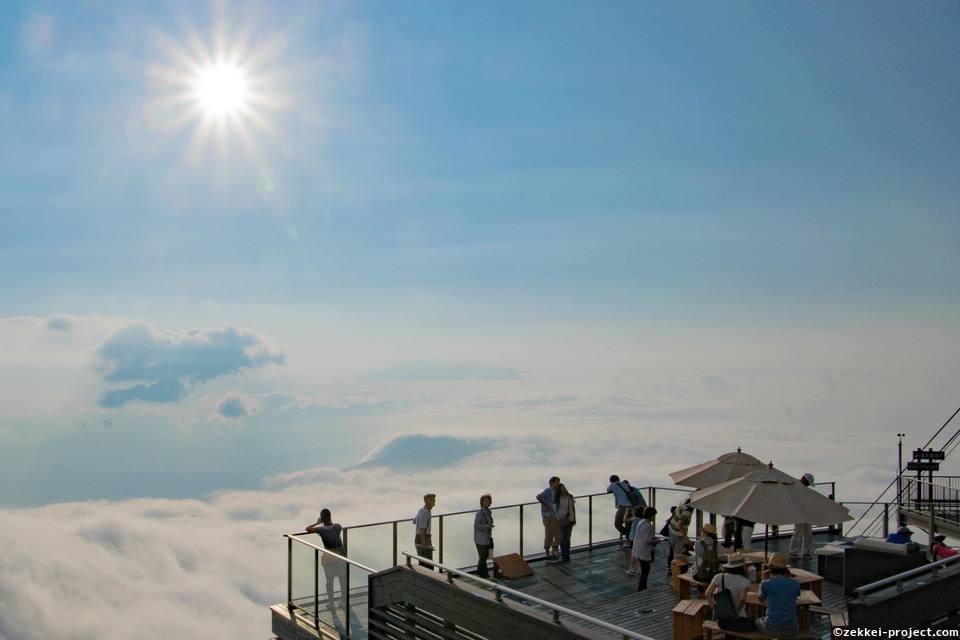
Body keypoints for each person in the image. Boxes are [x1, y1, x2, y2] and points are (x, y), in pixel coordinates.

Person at [306, 509, 346, 606]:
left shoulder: (321, 530)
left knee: (329, 580)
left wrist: (317, 523)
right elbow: (336, 530)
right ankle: (343, 601)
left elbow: (307, 528)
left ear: (322, 518)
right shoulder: (338, 526)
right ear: (330, 516)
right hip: (341, 555)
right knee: (342, 579)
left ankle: (331, 602)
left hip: (329, 556)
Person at [756, 552, 801, 636]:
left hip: (772, 627)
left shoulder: (766, 584)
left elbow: (760, 599)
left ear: (769, 568)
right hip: (792, 628)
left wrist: (763, 580)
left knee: (756, 621)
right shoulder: (795, 584)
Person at [704, 556, 753, 627]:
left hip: (722, 621)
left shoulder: (718, 577)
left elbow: (707, 594)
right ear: (741, 567)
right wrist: (736, 613)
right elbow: (742, 598)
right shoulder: (745, 581)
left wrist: (714, 609)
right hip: (739, 618)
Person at [631, 507, 659, 591]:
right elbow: (647, 540)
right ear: (650, 515)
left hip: (638, 548)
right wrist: (656, 541)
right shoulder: (648, 526)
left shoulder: (641, 522)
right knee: (645, 570)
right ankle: (641, 588)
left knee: (645, 569)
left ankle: (643, 587)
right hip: (643, 550)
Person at [789, 472, 815, 559]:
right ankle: (793, 552)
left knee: (808, 534)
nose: (807, 485)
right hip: (799, 513)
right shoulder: (794, 486)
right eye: (807, 483)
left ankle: (805, 553)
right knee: (798, 533)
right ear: (804, 479)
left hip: (806, 513)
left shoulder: (799, 487)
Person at [536, 476, 561, 560]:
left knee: (554, 534)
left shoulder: (556, 492)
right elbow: (538, 497)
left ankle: (552, 551)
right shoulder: (548, 491)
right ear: (551, 482)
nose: (558, 484)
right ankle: (550, 552)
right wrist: (547, 505)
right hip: (548, 517)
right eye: (556, 482)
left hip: (554, 516)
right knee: (551, 535)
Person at [607, 474, 634, 546]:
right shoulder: (624, 483)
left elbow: (608, 490)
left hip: (623, 508)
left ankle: (630, 536)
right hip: (632, 506)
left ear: (611, 481)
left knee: (617, 524)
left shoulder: (612, 485)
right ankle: (630, 541)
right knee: (628, 524)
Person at [474, 494, 495, 578]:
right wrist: (488, 527)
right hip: (481, 539)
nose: (487, 503)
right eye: (485, 501)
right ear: (482, 502)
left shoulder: (488, 512)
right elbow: (477, 525)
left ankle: (480, 574)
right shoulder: (480, 513)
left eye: (489, 501)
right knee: (483, 558)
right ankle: (484, 575)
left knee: (483, 557)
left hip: (486, 538)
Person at [668, 501, 693, 571]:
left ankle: (672, 572)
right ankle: (679, 578)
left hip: (671, 530)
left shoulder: (684, 503)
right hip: (678, 534)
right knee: (680, 558)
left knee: (675, 553)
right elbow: (679, 525)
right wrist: (687, 540)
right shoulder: (687, 511)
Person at [413, 493, 436, 567]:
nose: (434, 503)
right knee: (428, 565)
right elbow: (422, 530)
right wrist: (424, 545)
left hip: (420, 540)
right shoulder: (425, 513)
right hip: (423, 540)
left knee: (423, 563)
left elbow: (414, 521)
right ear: (427, 501)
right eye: (432, 500)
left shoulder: (421, 510)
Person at [555, 483, 577, 562]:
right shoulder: (557, 498)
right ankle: (564, 555)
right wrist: (558, 518)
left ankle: (566, 554)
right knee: (562, 538)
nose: (563, 490)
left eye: (564, 489)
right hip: (560, 520)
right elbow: (555, 509)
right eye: (562, 489)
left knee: (567, 538)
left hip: (569, 519)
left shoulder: (570, 497)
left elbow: (573, 508)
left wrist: (574, 518)